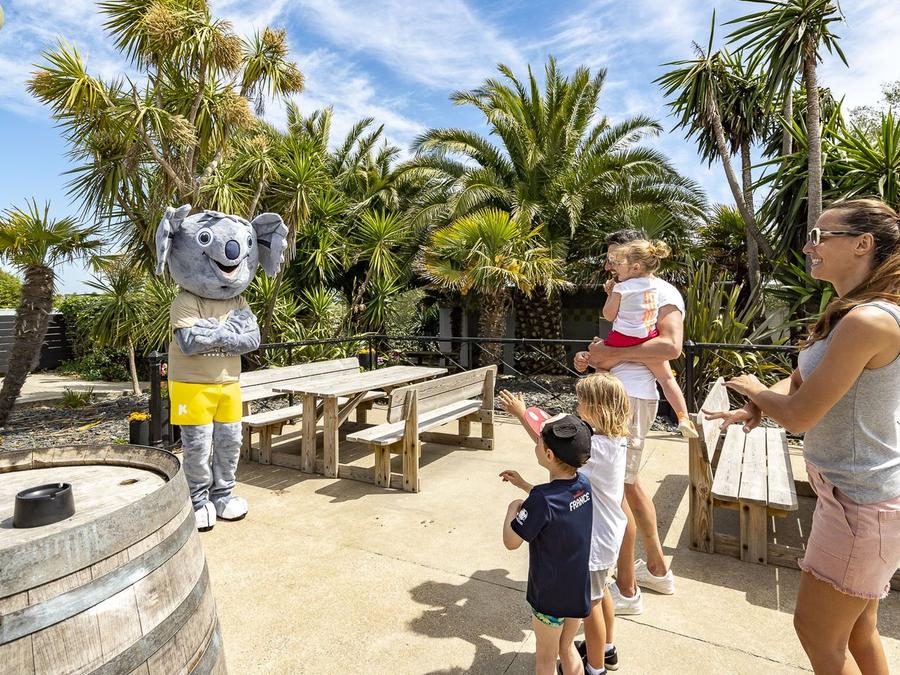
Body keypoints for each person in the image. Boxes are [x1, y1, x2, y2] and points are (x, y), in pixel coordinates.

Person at [706, 199, 899, 674]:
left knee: (817, 633)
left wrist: (753, 388)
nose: (809, 247)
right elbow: (800, 380)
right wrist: (757, 405)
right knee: (857, 630)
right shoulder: (851, 311)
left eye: (819, 236)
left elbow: (799, 416)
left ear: (862, 244)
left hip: (860, 502)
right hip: (854, 494)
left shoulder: (869, 320)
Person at [574, 229, 684, 615]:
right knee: (629, 486)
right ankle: (656, 569)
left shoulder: (663, 292)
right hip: (617, 395)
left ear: (636, 259)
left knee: (614, 492)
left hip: (630, 400)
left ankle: (627, 590)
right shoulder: (627, 289)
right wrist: (597, 358)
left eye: (614, 258)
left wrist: (611, 354)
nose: (609, 266)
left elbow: (670, 347)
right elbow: (623, 343)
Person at [500, 375, 629, 674]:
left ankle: (595, 667)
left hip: (594, 543)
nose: (577, 406)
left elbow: (553, 447)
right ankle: (607, 649)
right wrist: (526, 486)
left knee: (591, 605)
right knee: (600, 594)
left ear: (598, 409)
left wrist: (523, 414)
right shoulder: (613, 441)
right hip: (606, 536)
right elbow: (558, 476)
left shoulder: (595, 450)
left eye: (582, 402)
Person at [500, 410, 595, 675]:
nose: (536, 444)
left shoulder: (540, 500)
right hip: (577, 588)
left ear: (549, 455)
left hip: (550, 596)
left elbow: (511, 541)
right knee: (567, 648)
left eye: (539, 442)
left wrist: (513, 508)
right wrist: (524, 485)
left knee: (545, 658)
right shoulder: (583, 486)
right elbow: (556, 500)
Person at [596, 239, 697, 439]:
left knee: (599, 363)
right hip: (647, 338)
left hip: (623, 344)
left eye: (617, 262)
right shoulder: (655, 287)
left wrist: (610, 295)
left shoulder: (622, 288)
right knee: (667, 379)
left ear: (635, 266)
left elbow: (608, 315)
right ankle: (683, 417)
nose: (611, 267)